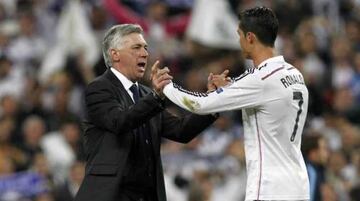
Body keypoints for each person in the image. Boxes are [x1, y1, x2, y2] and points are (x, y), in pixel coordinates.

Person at [161, 7, 310, 201]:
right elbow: (264, 96)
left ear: (250, 37)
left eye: (239, 35)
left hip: (269, 187)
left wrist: (167, 87)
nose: (238, 42)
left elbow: (200, 105)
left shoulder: (261, 79)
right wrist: (230, 87)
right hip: (297, 184)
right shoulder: (294, 74)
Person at [74, 24, 218, 201]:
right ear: (115, 54)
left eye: (145, 48)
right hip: (112, 194)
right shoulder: (99, 89)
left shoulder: (146, 94)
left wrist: (214, 101)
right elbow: (119, 122)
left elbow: (181, 130)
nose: (144, 53)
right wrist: (156, 98)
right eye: (136, 48)